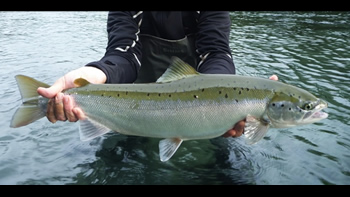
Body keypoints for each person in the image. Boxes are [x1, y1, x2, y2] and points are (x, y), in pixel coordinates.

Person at [37, 11, 278, 138]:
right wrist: (96, 73)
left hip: (200, 109)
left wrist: (230, 100)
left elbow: (215, 53)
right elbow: (124, 54)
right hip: (132, 108)